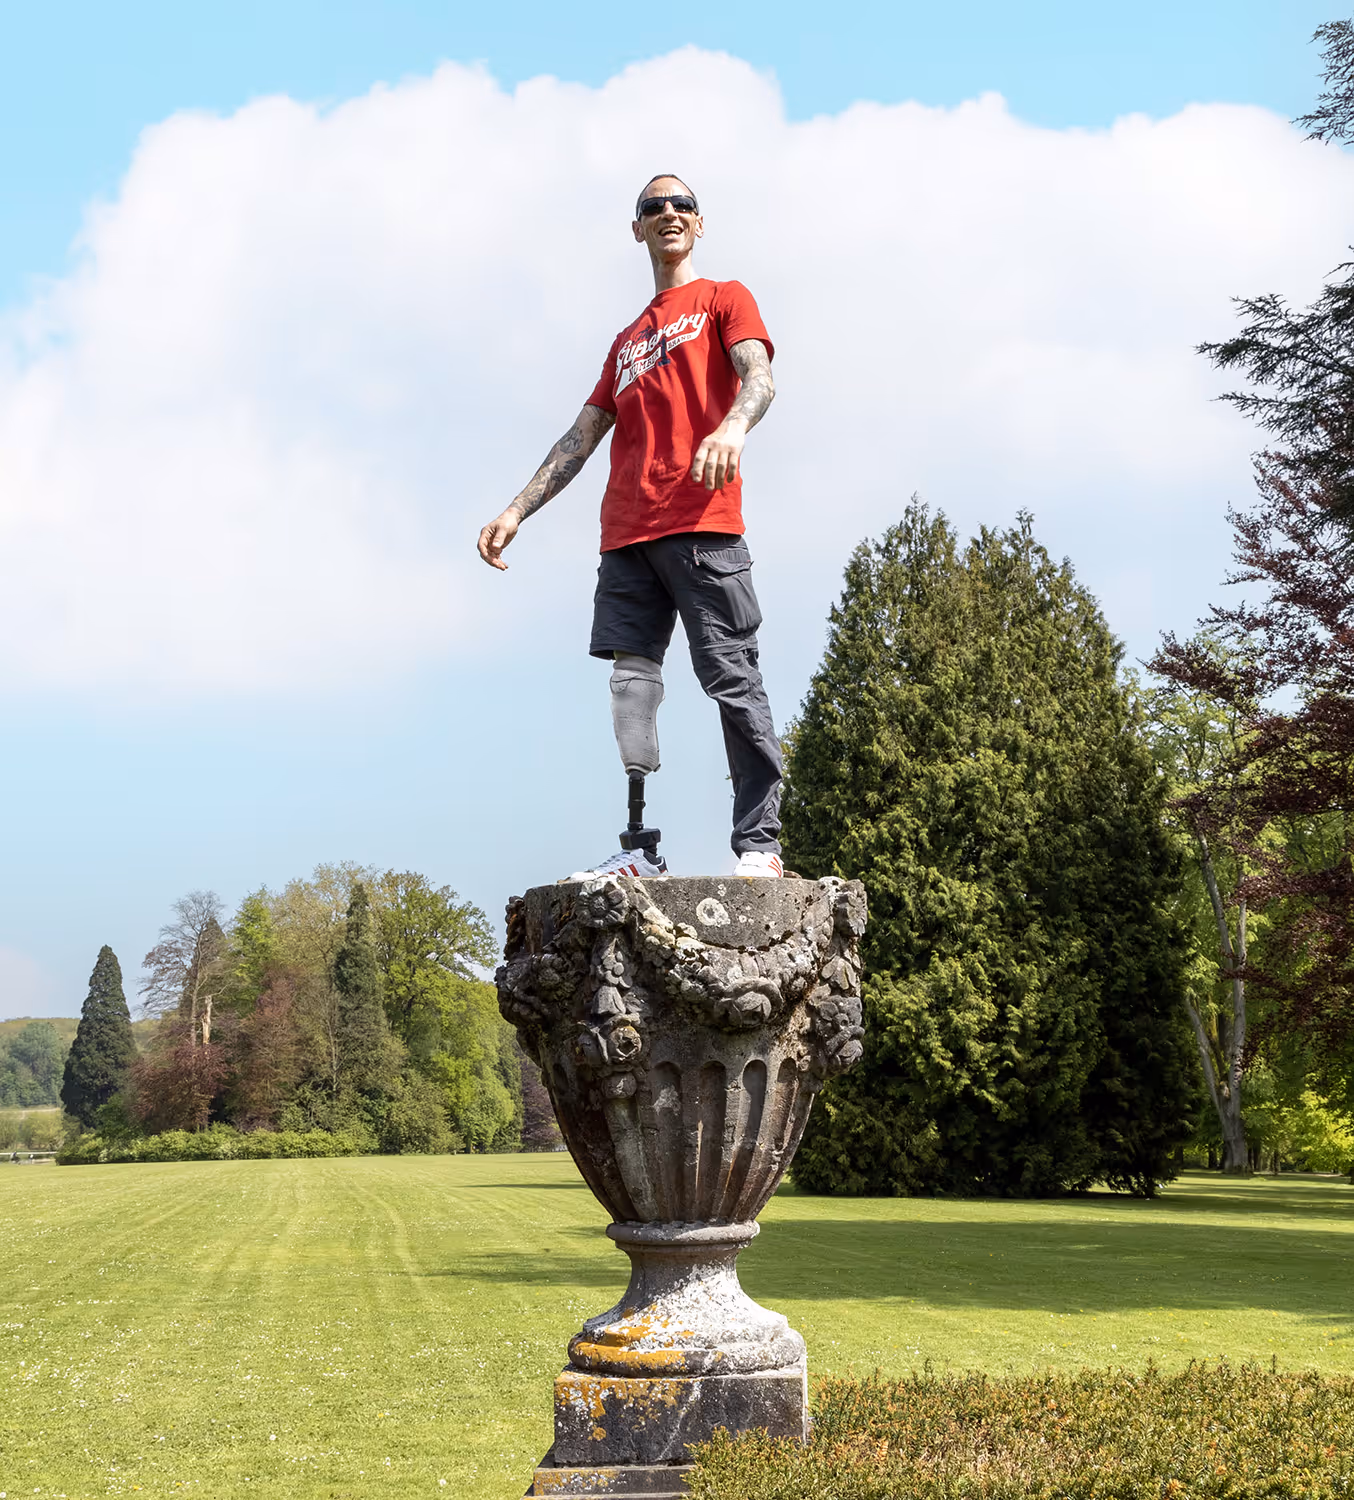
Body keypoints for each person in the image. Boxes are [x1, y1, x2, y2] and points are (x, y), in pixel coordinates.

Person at [477, 174, 784, 880]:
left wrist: (732, 427)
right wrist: (515, 510)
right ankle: (639, 849)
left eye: (681, 204)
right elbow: (581, 437)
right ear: (638, 229)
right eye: (653, 206)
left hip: (703, 523)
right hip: (627, 537)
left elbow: (759, 376)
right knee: (631, 691)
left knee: (733, 678)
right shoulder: (626, 342)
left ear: (699, 225)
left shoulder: (723, 298)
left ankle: (760, 844)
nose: (669, 212)